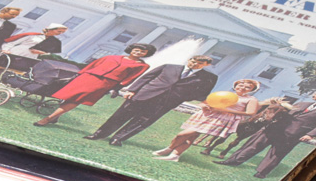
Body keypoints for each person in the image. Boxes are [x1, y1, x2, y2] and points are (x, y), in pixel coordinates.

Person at [82, 55, 218, 147]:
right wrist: (132, 90)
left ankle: (118, 138)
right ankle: (98, 134)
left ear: (206, 65)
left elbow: (203, 93)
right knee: (120, 115)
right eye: (193, 61)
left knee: (143, 121)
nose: (194, 64)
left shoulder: (208, 77)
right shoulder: (169, 67)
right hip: (145, 95)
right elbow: (146, 78)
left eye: (199, 63)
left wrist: (183, 97)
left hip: (167, 102)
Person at [215, 90, 316, 178]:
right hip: (274, 128)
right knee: (252, 145)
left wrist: (311, 134)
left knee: (277, 153)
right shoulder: (303, 103)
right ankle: (232, 161)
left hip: (293, 134)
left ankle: (261, 173)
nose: (314, 95)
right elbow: (284, 113)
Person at [32, 43, 156, 126]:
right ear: (131, 49)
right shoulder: (111, 57)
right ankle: (56, 116)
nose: (138, 52)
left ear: (146, 54)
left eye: (143, 52)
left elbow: (130, 78)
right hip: (87, 77)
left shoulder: (142, 65)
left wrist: (117, 88)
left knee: (77, 99)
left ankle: (48, 118)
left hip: (104, 83)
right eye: (137, 50)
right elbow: (92, 65)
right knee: (69, 96)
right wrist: (79, 75)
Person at [151, 79, 260, 162]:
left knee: (183, 134)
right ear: (236, 85)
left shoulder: (251, 99)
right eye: (241, 84)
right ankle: (175, 155)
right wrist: (204, 106)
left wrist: (224, 110)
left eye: (248, 87)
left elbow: (251, 113)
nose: (243, 87)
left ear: (251, 90)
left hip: (221, 120)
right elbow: (204, 102)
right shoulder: (224, 93)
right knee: (191, 137)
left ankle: (169, 149)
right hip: (206, 115)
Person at [0, 22, 67, 89]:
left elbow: (48, 51)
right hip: (14, 53)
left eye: (61, 32)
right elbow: (11, 42)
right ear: (51, 29)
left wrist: (43, 53)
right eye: (59, 31)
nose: (60, 33)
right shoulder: (34, 35)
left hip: (29, 57)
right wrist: (6, 50)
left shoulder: (54, 42)